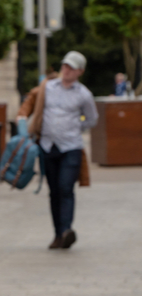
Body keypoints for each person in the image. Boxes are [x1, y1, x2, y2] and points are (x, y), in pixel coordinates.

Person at [19, 51, 98, 250]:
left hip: (70, 147)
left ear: (80, 71)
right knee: (54, 191)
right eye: (65, 66)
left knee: (65, 188)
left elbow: (92, 119)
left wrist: (75, 127)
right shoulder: (48, 87)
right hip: (47, 146)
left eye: (71, 68)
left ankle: (66, 230)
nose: (66, 70)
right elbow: (31, 102)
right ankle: (58, 234)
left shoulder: (84, 94)